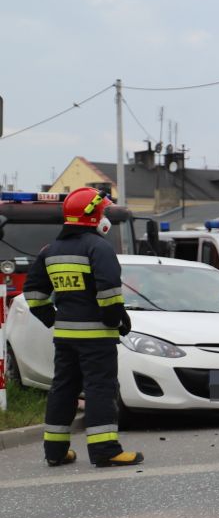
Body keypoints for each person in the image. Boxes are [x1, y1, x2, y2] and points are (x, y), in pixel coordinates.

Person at [22, 187, 145, 468]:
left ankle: (55, 451)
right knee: (100, 389)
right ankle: (105, 451)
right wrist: (116, 320)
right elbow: (109, 292)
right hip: (96, 337)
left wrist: (52, 319)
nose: (105, 215)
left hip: (65, 337)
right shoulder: (98, 247)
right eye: (102, 210)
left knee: (63, 389)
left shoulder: (50, 251)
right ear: (91, 216)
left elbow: (34, 293)